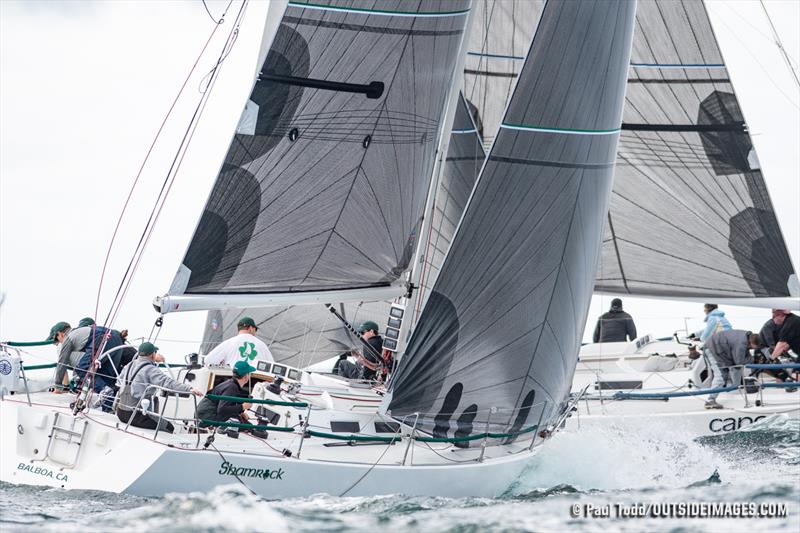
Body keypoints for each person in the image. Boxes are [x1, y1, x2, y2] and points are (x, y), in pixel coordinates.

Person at [116, 342, 202, 433]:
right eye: (155, 352)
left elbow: (118, 382)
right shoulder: (150, 369)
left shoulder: (129, 365)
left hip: (121, 412)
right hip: (136, 416)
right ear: (152, 354)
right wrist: (189, 389)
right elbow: (167, 383)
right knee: (169, 427)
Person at [703, 330, 763, 409]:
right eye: (755, 347)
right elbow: (739, 362)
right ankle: (710, 400)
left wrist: (750, 359)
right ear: (752, 343)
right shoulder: (741, 343)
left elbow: (739, 360)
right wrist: (753, 360)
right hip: (713, 349)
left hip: (718, 349)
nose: (755, 349)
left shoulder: (746, 338)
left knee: (726, 372)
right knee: (720, 376)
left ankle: (731, 390)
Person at [196, 360, 255, 428]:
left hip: (202, 415)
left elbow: (225, 406)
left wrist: (239, 413)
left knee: (243, 423)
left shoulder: (230, 384)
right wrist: (242, 407)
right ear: (245, 376)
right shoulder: (232, 387)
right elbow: (222, 409)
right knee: (248, 427)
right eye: (249, 373)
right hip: (206, 417)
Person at [204, 316, 274, 367]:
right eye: (255, 329)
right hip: (255, 383)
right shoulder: (261, 345)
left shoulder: (229, 343)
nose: (255, 332)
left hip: (233, 382)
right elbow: (272, 365)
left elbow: (208, 360)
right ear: (250, 328)